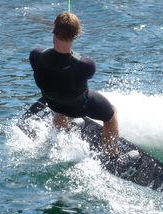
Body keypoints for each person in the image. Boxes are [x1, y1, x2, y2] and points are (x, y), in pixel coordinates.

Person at [29, 11, 119, 157]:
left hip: (53, 103)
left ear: (54, 26)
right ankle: (112, 154)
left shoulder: (36, 55)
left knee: (59, 91)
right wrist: (71, 54)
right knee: (111, 114)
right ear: (77, 33)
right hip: (78, 107)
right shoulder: (86, 65)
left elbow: (54, 58)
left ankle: (61, 134)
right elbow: (75, 62)